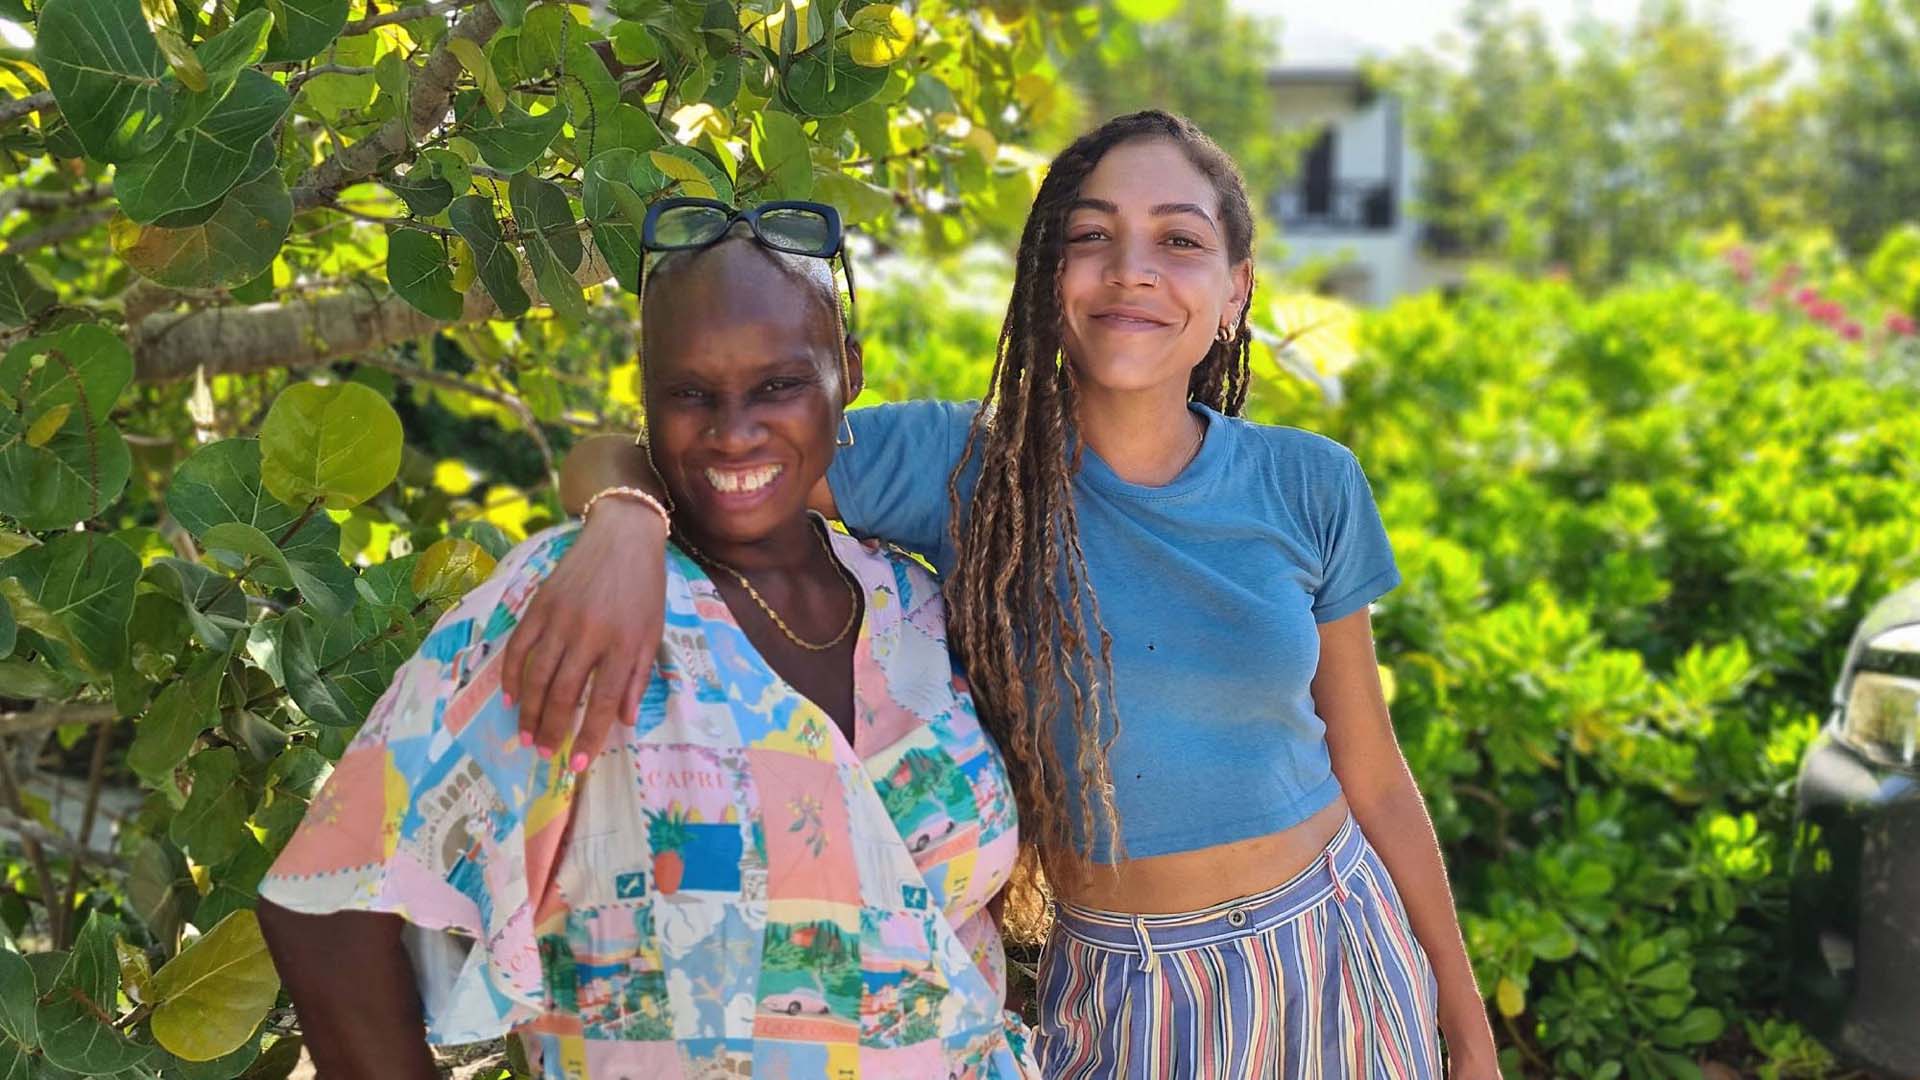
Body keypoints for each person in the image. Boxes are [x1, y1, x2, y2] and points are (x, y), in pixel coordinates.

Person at [507, 111, 1499, 1078]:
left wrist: (1465, 1020)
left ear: (1235, 292)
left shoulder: (1311, 482)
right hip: (1129, 990)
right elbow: (656, 453)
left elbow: (1371, 770)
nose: (1132, 269)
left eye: (1178, 240)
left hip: (1339, 943)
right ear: (1045, 280)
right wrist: (626, 524)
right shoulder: (964, 466)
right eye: (1092, 236)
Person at [256, 203, 1035, 1079]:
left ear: (845, 372)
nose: (733, 430)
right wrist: (625, 523)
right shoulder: (572, 601)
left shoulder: (915, 605)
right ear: (645, 392)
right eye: (690, 393)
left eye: (778, 385)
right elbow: (325, 909)